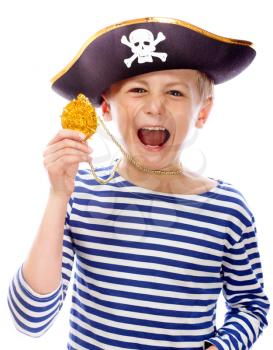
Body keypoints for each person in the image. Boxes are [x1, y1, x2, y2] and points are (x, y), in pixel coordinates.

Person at [7, 17, 270, 350]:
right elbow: (30, 319)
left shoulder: (228, 209)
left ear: (202, 111)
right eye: (137, 90)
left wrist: (221, 346)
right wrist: (58, 195)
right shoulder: (82, 193)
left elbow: (251, 305)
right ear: (106, 107)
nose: (155, 107)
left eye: (174, 92)